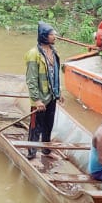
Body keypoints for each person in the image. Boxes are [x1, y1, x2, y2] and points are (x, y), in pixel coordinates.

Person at [24, 22, 61, 164]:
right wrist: (37, 100)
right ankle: (31, 153)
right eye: (52, 34)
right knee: (35, 127)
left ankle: (46, 150)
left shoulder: (54, 51)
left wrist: (59, 92)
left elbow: (56, 74)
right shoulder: (34, 54)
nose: (55, 36)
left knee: (48, 125)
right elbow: (31, 80)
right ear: (44, 36)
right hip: (40, 98)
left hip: (52, 96)